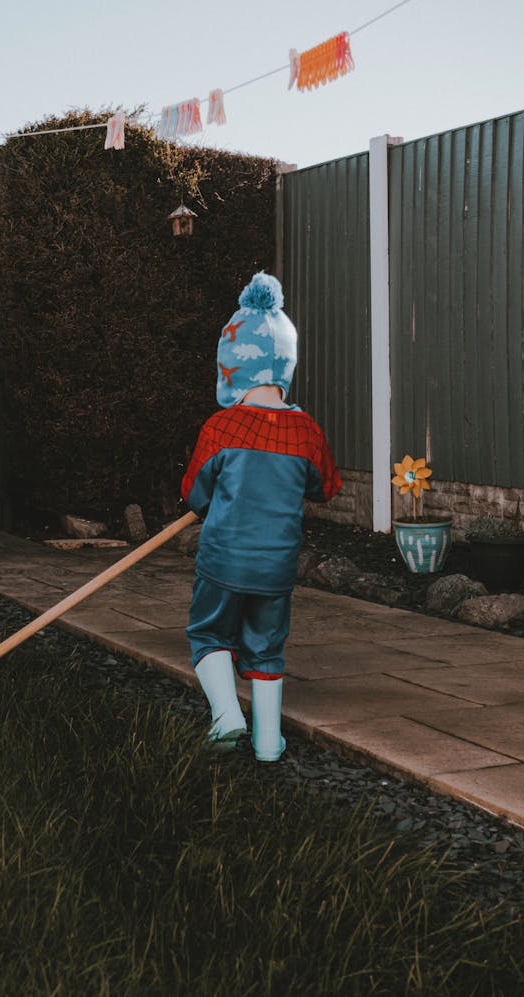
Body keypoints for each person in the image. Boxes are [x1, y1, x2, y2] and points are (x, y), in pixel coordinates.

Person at [181, 271, 342, 762]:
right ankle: (268, 743)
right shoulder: (306, 432)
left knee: (209, 633)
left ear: (229, 367)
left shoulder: (221, 427)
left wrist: (215, 501)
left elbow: (194, 493)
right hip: (276, 569)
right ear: (285, 367)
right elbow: (326, 488)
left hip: (224, 560)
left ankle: (227, 715)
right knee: (267, 648)